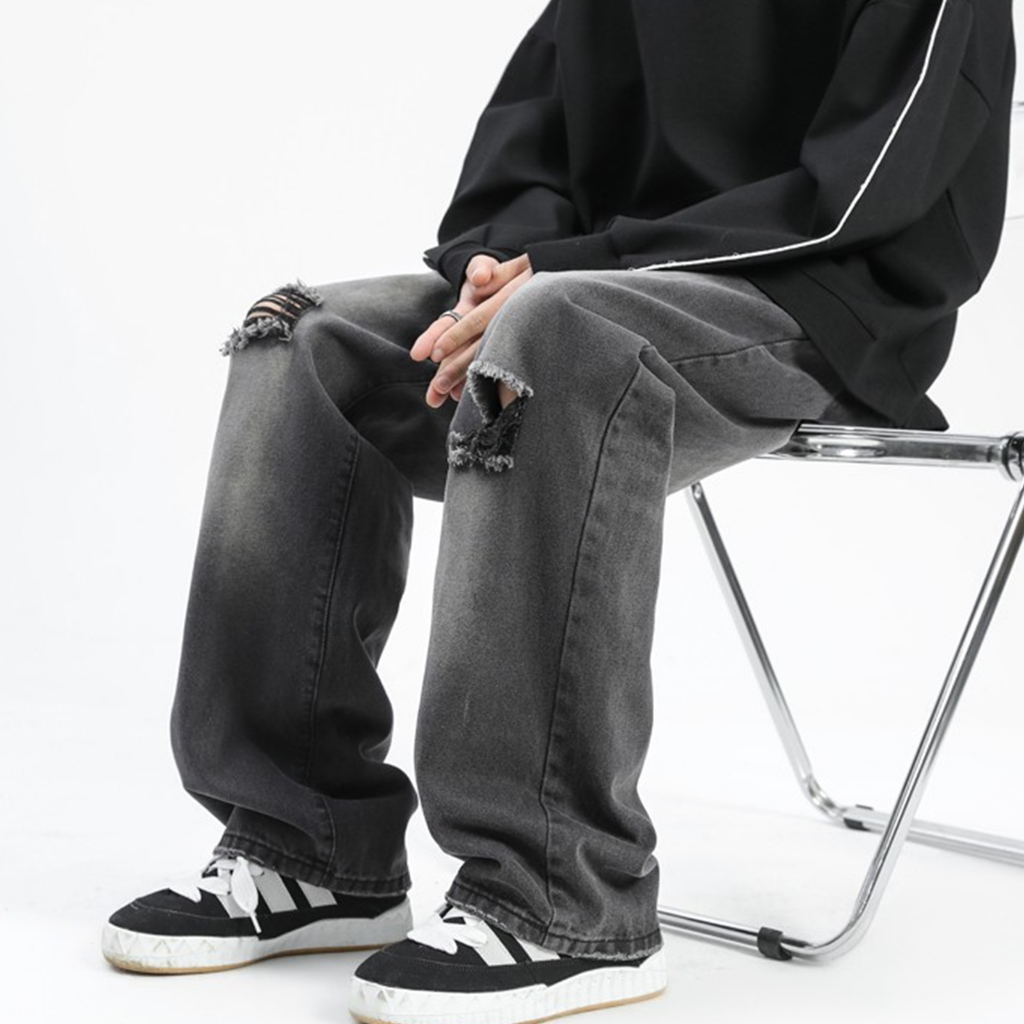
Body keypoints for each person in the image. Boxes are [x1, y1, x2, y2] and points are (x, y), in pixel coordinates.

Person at [101, 1, 1015, 1022]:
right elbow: (526, 144)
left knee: (553, 333)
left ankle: (560, 896)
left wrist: (579, 271)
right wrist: (495, 267)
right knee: (301, 338)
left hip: (819, 304)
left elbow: (856, 197)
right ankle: (305, 840)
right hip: (592, 286)